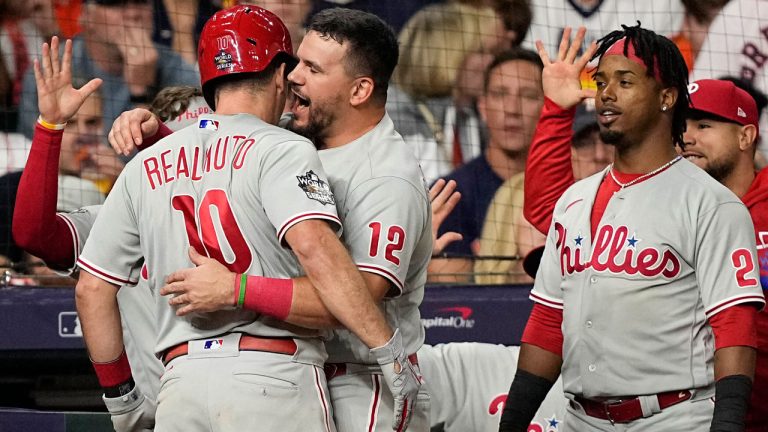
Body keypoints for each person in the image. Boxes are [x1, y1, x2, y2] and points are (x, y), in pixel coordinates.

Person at [74, 6, 411, 432]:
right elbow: (316, 251)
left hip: (179, 387)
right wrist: (388, 350)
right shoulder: (283, 148)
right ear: (276, 75)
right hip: (273, 380)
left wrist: (121, 400)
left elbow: (91, 290)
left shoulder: (145, 164)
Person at [498, 24, 765, 431]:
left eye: (625, 82)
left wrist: (727, 424)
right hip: (580, 419)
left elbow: (734, 327)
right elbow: (549, 321)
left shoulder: (711, 203)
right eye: (601, 81)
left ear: (666, 97)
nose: (606, 93)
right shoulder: (574, 201)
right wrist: (512, 422)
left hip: (673, 418)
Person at [680, 78, 768, 432]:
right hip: (694, 414)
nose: (687, 137)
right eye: (681, 126)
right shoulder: (669, 207)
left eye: (704, 125)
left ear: (746, 137)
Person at [429, 48, 544, 282]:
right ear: (483, 107)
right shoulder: (451, 193)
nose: (512, 110)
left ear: (549, 107)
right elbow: (448, 286)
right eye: (500, 94)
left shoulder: (572, 191)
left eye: (529, 95)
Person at [17, 0, 199, 139]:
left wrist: (141, 94)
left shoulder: (176, 69)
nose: (133, 14)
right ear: (85, 15)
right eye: (116, 4)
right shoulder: (51, 70)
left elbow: (187, 151)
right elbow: (30, 154)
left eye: (140, 1)